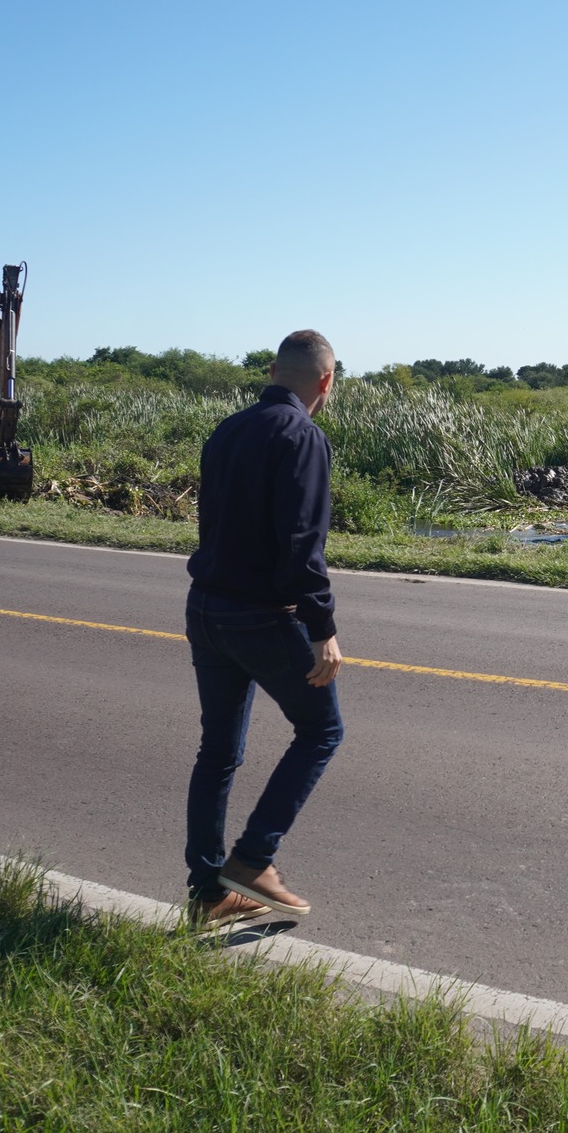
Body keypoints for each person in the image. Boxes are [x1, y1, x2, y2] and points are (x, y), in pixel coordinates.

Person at [182, 330, 344, 929]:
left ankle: (207, 893)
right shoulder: (302, 435)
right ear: (325, 381)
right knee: (322, 729)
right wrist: (322, 626)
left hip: (206, 609)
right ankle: (253, 860)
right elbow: (302, 546)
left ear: (274, 370)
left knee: (218, 752)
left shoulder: (226, 430)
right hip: (258, 616)